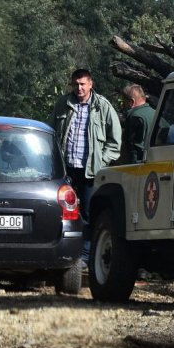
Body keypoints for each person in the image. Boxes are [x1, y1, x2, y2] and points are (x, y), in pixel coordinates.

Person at [51, 69, 121, 265]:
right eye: (76, 84)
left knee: (89, 212)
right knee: (65, 212)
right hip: (67, 170)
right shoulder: (63, 104)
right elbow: (53, 134)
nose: (79, 88)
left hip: (91, 171)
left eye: (83, 84)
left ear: (91, 84)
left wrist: (102, 161)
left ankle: (86, 255)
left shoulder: (102, 106)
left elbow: (115, 142)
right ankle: (64, 252)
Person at [120, 84, 156, 163]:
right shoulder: (156, 113)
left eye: (124, 102)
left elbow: (133, 148)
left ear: (131, 102)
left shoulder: (134, 117)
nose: (123, 105)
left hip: (139, 166)